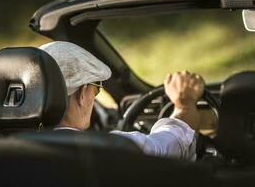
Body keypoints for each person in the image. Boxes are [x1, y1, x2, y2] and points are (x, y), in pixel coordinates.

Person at [39, 41, 204, 161]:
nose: (94, 95)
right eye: (96, 88)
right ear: (83, 94)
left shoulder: (15, 151)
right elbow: (178, 140)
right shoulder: (115, 150)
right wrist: (185, 102)